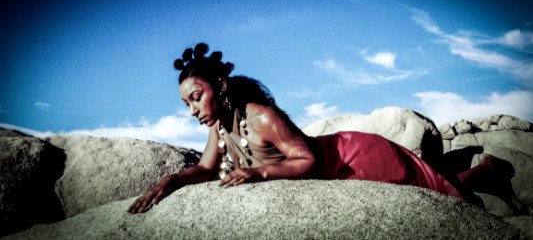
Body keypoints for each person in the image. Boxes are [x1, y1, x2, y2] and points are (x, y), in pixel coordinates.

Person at [128, 43, 524, 214]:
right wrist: (170, 181)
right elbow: (204, 168)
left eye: (196, 97)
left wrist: (259, 172)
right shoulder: (221, 128)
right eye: (186, 103)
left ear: (221, 88)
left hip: (352, 158)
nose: (191, 109)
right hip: (338, 162)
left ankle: (489, 171)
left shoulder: (261, 116)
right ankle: (486, 171)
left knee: (436, 192)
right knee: (437, 185)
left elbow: (308, 158)